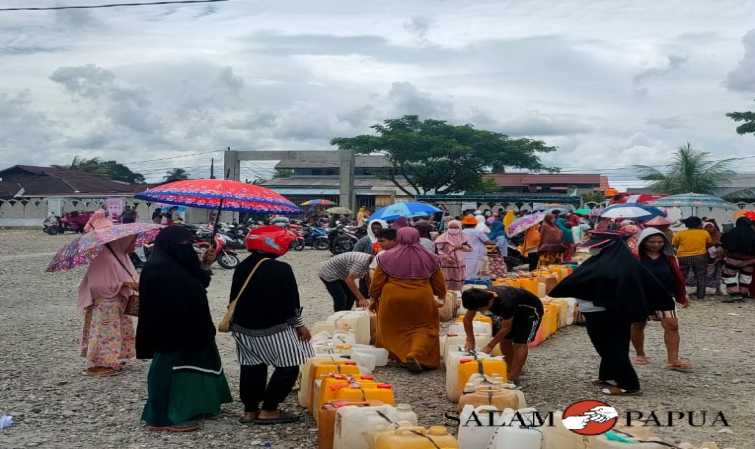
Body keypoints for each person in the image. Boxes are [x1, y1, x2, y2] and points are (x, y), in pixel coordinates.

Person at [137, 226, 231, 432]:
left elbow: (200, 283)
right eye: (185, 244)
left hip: (191, 327)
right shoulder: (158, 268)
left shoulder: (175, 262)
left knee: (196, 364)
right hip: (169, 331)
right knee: (167, 370)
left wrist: (205, 264)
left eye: (190, 243)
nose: (189, 248)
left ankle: (199, 404)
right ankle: (161, 418)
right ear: (170, 245)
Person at [230, 226, 314, 424]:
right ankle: (269, 409)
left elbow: (234, 297)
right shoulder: (281, 268)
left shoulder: (242, 266)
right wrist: (300, 326)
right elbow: (291, 303)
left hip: (242, 328)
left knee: (252, 366)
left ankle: (250, 411)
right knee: (289, 366)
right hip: (273, 328)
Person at [370, 227, 446, 373]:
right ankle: (414, 354)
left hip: (392, 297)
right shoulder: (430, 257)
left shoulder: (386, 257)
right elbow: (439, 284)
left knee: (394, 328)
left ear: (399, 238)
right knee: (425, 328)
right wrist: (441, 295)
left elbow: (377, 282)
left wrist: (374, 297)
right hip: (421, 297)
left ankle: (399, 356)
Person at [630, 228, 692, 371]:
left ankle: (673, 360)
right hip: (641, 296)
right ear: (644, 242)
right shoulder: (635, 258)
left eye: (659, 241)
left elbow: (678, 277)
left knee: (672, 325)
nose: (656, 244)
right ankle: (640, 354)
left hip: (664, 296)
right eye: (652, 241)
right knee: (638, 324)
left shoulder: (669, 257)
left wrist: (682, 295)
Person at [78, 237, 138, 377]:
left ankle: (112, 359)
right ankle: (101, 362)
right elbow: (98, 284)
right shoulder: (105, 257)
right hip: (106, 303)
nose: (134, 245)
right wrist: (124, 284)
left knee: (114, 332)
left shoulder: (119, 256)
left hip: (116, 301)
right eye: (131, 241)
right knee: (105, 333)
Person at [461, 286, 543, 385]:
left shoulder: (506, 302)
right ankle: (509, 369)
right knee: (505, 340)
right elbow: (467, 319)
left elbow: (505, 328)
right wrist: (470, 340)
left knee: (520, 343)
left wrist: (489, 346)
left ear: (490, 301)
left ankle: (513, 377)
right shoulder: (478, 297)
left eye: (481, 309)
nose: (481, 311)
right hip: (512, 311)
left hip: (530, 311)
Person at [672, 216, 711, 300]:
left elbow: (675, 244)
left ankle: (680, 295)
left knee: (682, 276)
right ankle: (701, 296)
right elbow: (708, 243)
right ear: (698, 224)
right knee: (701, 276)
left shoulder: (680, 233)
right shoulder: (704, 233)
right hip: (700, 256)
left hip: (683, 256)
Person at [720, 217, 755, 301]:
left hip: (734, 258)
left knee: (729, 275)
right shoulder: (753, 233)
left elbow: (724, 244)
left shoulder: (732, 232)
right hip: (750, 259)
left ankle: (734, 293)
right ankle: (744, 293)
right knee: (746, 275)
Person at [434, 220, 471, 291]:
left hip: (460, 262)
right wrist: (446, 257)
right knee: (447, 280)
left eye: (456, 227)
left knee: (458, 280)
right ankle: (448, 296)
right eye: (451, 227)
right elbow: (438, 251)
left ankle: (458, 295)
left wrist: (461, 247)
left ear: (460, 228)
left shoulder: (463, 237)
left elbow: (469, 249)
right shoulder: (442, 238)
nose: (453, 229)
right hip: (447, 263)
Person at [462, 215, 493, 280]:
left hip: (463, 256)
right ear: (475, 224)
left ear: (464, 224)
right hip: (476, 256)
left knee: (465, 273)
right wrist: (494, 254)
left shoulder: (461, 232)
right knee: (474, 275)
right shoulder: (478, 232)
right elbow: (488, 242)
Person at [704, 220, 724, 295]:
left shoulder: (719, 234)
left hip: (719, 257)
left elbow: (724, 244)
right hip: (708, 258)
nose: (709, 229)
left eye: (711, 227)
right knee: (709, 273)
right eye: (707, 227)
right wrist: (713, 244)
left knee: (719, 273)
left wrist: (718, 245)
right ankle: (710, 288)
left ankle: (718, 288)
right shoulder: (703, 235)